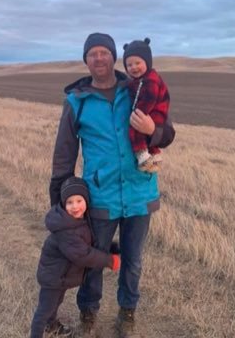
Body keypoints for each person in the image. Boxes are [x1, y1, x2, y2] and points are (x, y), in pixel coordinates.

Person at [49, 33, 167, 338]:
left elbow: (168, 132)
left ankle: (128, 312)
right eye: (92, 54)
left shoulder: (137, 90)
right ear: (85, 60)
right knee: (93, 258)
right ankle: (88, 311)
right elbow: (64, 153)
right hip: (100, 195)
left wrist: (153, 130)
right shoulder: (77, 101)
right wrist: (59, 200)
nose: (99, 58)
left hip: (140, 190)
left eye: (104, 52)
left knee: (133, 260)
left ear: (114, 57)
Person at [30, 176, 120, 338]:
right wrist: (109, 260)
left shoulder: (80, 221)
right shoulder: (65, 228)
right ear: (64, 205)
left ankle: (52, 327)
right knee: (44, 310)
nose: (75, 206)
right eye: (70, 202)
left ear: (86, 201)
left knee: (55, 303)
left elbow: (88, 244)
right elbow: (83, 254)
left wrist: (112, 248)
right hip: (54, 277)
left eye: (79, 200)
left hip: (61, 276)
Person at [123, 38, 170, 172]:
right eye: (129, 65)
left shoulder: (150, 81)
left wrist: (140, 112)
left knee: (135, 129)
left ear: (147, 62)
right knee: (144, 130)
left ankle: (142, 156)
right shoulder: (141, 80)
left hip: (153, 113)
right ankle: (155, 155)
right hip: (155, 113)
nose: (134, 67)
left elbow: (149, 98)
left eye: (138, 63)